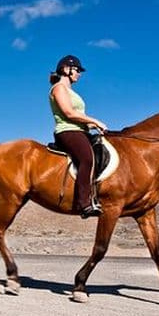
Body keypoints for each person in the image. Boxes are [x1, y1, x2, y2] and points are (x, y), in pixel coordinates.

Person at [49, 55, 108, 218]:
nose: (79, 74)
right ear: (66, 70)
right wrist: (95, 120)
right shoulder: (58, 88)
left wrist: (93, 126)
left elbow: (79, 116)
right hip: (67, 131)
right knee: (87, 158)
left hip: (81, 130)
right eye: (77, 70)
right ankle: (84, 203)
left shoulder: (71, 92)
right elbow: (69, 113)